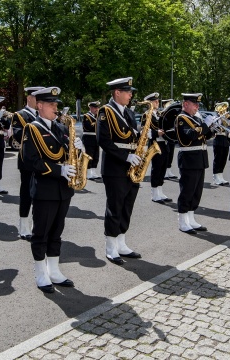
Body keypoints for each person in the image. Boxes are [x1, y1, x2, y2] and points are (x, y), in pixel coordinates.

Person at [22, 86, 81, 293]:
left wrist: (78, 149)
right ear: (40, 106)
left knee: (57, 232)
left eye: (56, 104)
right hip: (45, 189)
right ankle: (40, 272)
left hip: (63, 189)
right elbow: (30, 161)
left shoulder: (61, 128)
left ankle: (54, 270)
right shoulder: (32, 129)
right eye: (51, 104)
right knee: (41, 233)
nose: (56, 108)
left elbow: (67, 154)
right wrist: (59, 170)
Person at [97, 77, 142, 265]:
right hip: (115, 167)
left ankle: (122, 242)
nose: (131, 95)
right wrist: (126, 156)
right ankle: (110, 246)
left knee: (127, 205)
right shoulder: (105, 112)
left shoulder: (129, 113)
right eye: (128, 91)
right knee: (115, 206)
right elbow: (104, 141)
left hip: (132, 166)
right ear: (117, 93)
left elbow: (132, 137)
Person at [176, 93, 214, 234]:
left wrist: (212, 126)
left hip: (200, 158)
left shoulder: (195, 118)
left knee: (196, 192)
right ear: (186, 104)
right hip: (189, 159)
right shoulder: (181, 119)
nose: (197, 106)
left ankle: (191, 218)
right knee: (187, 191)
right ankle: (182, 221)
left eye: (198, 104)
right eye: (194, 104)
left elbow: (206, 136)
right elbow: (190, 136)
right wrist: (205, 125)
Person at [13, 86, 44, 240]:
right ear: (29, 98)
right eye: (36, 97)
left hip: (45, 160)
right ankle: (23, 226)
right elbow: (19, 136)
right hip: (27, 161)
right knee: (26, 194)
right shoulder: (20, 115)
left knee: (41, 195)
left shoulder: (44, 115)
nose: (39, 101)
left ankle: (36, 225)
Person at [141, 92, 171, 203]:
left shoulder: (160, 114)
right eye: (155, 101)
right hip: (155, 143)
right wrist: (156, 133)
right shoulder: (146, 115)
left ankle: (160, 191)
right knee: (156, 168)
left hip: (164, 143)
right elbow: (145, 131)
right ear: (149, 103)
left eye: (157, 101)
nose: (157, 103)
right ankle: (154, 193)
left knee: (163, 168)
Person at [82, 101, 102, 180]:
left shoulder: (98, 116)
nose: (96, 109)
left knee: (96, 156)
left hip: (96, 138)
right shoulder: (86, 116)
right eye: (95, 108)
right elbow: (88, 127)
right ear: (91, 108)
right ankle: (88, 172)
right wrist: (98, 122)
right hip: (89, 138)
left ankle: (93, 172)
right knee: (89, 155)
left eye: (97, 108)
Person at [211, 104, 230, 186]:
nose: (223, 111)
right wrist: (220, 120)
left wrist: (225, 119)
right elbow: (214, 129)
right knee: (217, 159)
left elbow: (229, 127)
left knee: (223, 159)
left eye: (224, 110)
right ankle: (216, 176)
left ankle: (220, 175)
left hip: (225, 139)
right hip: (218, 139)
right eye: (222, 110)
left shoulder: (226, 118)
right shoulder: (216, 118)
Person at [162, 98, 178, 179]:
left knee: (171, 154)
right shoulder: (162, 114)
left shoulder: (171, 114)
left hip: (170, 137)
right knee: (165, 155)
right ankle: (164, 171)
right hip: (163, 138)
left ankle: (169, 170)